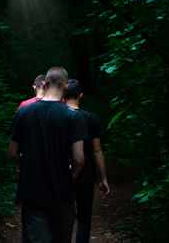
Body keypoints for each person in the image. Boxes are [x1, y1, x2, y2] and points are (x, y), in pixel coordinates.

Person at [9, 67, 88, 243]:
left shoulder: (24, 112)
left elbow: (13, 152)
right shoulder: (73, 117)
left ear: (44, 84)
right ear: (66, 87)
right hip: (62, 190)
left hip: (32, 190)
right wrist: (72, 174)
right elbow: (78, 158)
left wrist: (21, 167)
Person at [64, 79, 110, 243]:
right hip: (85, 174)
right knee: (84, 217)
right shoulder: (91, 118)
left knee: (61, 217)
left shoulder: (56, 116)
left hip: (60, 172)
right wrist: (103, 178)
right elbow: (97, 151)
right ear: (81, 95)